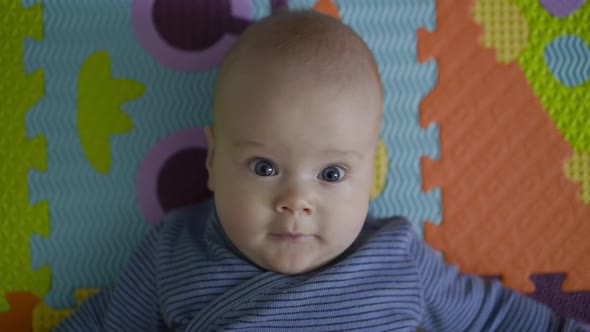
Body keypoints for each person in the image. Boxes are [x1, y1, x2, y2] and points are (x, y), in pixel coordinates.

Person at [56, 10, 586, 331]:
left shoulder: (397, 257)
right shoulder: (175, 252)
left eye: (331, 175)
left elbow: (494, 319)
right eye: (264, 166)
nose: (295, 200)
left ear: (371, 172)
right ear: (213, 161)